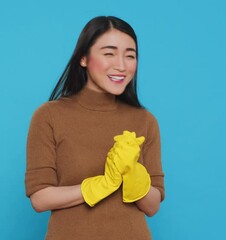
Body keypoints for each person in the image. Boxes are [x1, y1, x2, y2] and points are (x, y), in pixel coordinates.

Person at [25, 16, 165, 239]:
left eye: (130, 55)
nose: (121, 65)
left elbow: (152, 206)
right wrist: (102, 184)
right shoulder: (49, 116)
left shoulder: (145, 121)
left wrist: (132, 173)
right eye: (109, 53)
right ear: (83, 58)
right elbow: (40, 199)